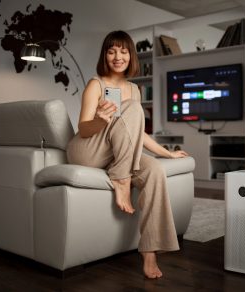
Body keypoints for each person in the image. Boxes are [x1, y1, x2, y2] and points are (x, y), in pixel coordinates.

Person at [66, 30, 188, 279]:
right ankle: (121, 179)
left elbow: (136, 133)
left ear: (131, 56)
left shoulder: (134, 90)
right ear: (105, 55)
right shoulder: (95, 84)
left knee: (154, 169)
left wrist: (167, 153)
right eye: (111, 51)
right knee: (131, 110)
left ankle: (150, 250)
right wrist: (101, 121)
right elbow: (83, 128)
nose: (117, 57)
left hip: (113, 155)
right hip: (86, 150)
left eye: (123, 51)